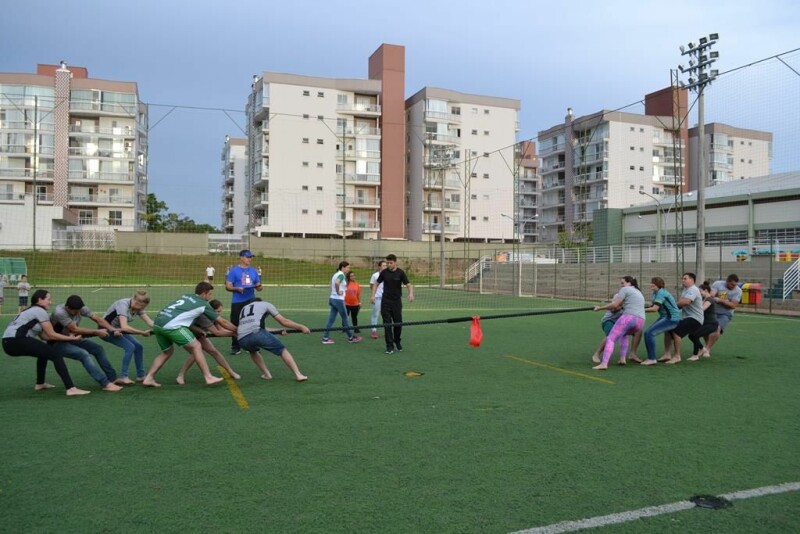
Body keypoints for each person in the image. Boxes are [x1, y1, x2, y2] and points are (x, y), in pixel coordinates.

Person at [142, 282, 238, 387]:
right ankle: (208, 377)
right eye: (210, 294)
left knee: (167, 352)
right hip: (172, 326)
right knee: (196, 346)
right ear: (204, 293)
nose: (211, 296)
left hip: (157, 324)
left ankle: (149, 378)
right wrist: (238, 330)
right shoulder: (202, 304)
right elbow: (223, 323)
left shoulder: (187, 296)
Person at [2, 289, 90, 396]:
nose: (50, 302)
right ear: (40, 300)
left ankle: (40, 384)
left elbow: (44, 336)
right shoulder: (40, 311)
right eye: (48, 299)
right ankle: (71, 389)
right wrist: (71, 338)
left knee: (43, 353)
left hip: (8, 342)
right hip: (16, 340)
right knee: (56, 355)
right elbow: (51, 334)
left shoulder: (32, 311)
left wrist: (67, 337)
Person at [50, 295, 123, 392]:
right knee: (83, 354)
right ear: (68, 308)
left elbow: (98, 319)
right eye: (76, 312)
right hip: (57, 341)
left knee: (98, 349)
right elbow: (74, 329)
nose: (78, 313)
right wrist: (96, 332)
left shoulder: (81, 308)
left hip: (73, 337)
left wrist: (112, 329)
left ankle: (113, 378)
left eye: (79, 311)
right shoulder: (60, 312)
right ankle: (105, 383)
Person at [237, 298, 310, 381]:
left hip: (242, 339)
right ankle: (298, 375)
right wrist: (301, 327)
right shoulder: (265, 304)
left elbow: (260, 329)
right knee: (282, 350)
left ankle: (267, 374)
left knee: (253, 351)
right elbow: (283, 321)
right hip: (257, 333)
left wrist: (279, 330)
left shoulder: (244, 308)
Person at [176, 299, 240, 384]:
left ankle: (230, 372)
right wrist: (199, 330)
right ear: (211, 311)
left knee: (214, 351)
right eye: (218, 311)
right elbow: (216, 333)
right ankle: (180, 376)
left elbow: (221, 330)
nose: (219, 314)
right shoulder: (203, 316)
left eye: (220, 311)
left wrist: (235, 332)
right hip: (187, 335)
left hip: (199, 336)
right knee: (195, 354)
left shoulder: (215, 318)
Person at [592, 276, 645, 370]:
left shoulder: (625, 290)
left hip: (628, 318)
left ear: (629, 283)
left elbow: (614, 305)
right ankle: (622, 359)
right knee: (623, 334)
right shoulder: (638, 292)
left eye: (622, 283)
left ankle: (604, 364)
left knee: (611, 338)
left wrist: (600, 308)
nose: (621, 285)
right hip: (640, 321)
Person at [101, 290, 155, 384]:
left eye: (143, 307)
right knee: (130, 347)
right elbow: (125, 327)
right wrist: (142, 332)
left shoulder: (139, 307)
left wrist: (164, 327)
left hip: (119, 329)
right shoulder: (123, 305)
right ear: (134, 300)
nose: (141, 309)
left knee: (138, 346)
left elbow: (150, 323)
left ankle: (141, 375)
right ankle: (124, 377)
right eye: (140, 306)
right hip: (105, 330)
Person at [372, 254, 414, 354]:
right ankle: (389, 346)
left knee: (398, 324)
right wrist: (373, 295)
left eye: (390, 263)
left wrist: (411, 293)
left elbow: (409, 284)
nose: (388, 265)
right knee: (387, 324)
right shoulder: (384, 272)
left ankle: (397, 341)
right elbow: (376, 283)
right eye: (387, 263)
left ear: (395, 262)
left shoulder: (400, 273)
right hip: (385, 302)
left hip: (396, 302)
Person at [225, 249, 262, 355]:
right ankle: (235, 346)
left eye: (251, 257)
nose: (250, 259)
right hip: (237, 301)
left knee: (252, 323)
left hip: (251, 300)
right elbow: (228, 286)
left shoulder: (253, 271)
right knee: (235, 323)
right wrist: (237, 288)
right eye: (248, 257)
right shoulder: (234, 271)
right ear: (241, 258)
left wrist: (259, 287)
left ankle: (251, 345)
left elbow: (259, 287)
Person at [640, 277, 681, 366]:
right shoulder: (655, 293)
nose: (651, 284)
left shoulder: (661, 293)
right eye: (651, 282)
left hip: (671, 318)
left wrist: (639, 310)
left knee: (649, 333)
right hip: (665, 317)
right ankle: (666, 355)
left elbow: (655, 309)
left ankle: (651, 359)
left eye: (654, 283)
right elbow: (653, 306)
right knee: (648, 333)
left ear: (659, 285)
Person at [666, 272, 704, 365]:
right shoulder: (685, 290)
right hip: (688, 317)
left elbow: (686, 302)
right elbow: (680, 304)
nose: (683, 280)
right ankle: (667, 354)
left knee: (676, 330)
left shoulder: (693, 289)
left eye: (685, 278)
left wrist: (672, 307)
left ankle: (677, 356)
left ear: (692, 280)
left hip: (695, 318)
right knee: (669, 328)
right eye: (682, 278)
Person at [322, 261, 361, 344]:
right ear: (343, 267)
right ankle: (351, 337)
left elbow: (330, 283)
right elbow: (337, 283)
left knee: (331, 319)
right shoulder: (341, 275)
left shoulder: (335, 274)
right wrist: (338, 291)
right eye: (348, 267)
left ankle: (325, 338)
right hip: (338, 300)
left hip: (332, 299)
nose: (349, 269)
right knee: (345, 318)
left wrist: (333, 292)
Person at [704, 274, 742, 356]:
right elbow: (711, 295)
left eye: (735, 285)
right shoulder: (718, 284)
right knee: (706, 330)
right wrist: (711, 296)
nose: (733, 286)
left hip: (725, 314)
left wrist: (721, 300)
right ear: (727, 281)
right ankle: (706, 346)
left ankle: (707, 349)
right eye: (732, 284)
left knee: (717, 329)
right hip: (712, 312)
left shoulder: (738, 291)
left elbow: (733, 305)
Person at [688, 283, 719, 361]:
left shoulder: (710, 299)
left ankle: (695, 355)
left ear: (705, 290)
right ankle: (702, 349)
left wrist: (691, 307)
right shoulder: (703, 299)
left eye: (700, 291)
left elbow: (702, 309)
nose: (699, 293)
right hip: (704, 323)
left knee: (695, 335)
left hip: (711, 324)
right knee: (691, 335)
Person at [369, 260, 387, 339]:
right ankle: (374, 331)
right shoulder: (375, 275)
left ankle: (387, 331)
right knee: (375, 314)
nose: (385, 267)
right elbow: (372, 285)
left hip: (386, 298)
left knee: (386, 315)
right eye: (383, 265)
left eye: (386, 265)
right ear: (379, 267)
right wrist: (374, 295)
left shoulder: (388, 275)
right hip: (377, 297)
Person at [344, 271, 362, 335]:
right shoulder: (345, 284)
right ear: (348, 277)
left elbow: (358, 295)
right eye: (351, 276)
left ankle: (355, 328)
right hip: (346, 304)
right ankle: (345, 328)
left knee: (354, 317)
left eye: (354, 275)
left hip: (355, 304)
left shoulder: (357, 285)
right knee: (346, 316)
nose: (353, 277)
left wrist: (359, 302)